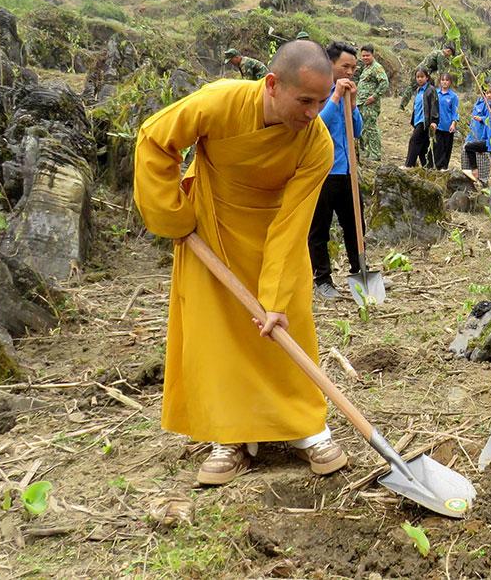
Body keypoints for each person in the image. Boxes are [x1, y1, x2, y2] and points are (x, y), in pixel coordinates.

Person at [133, 40, 349, 486]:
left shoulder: (317, 145)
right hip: (210, 231)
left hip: (274, 235)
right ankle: (229, 438)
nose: (313, 113)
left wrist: (275, 298)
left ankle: (306, 428)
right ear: (272, 85)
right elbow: (155, 139)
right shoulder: (220, 101)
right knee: (218, 335)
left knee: (289, 324)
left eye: (322, 101)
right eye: (304, 100)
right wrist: (174, 215)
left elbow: (292, 229)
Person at [308, 42, 365, 301]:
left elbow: (358, 130)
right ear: (330, 65)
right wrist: (336, 98)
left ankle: (359, 272)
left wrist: (351, 103)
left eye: (354, 67)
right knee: (319, 228)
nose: (351, 72)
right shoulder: (317, 93)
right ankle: (322, 279)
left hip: (347, 172)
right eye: (345, 66)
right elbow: (316, 126)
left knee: (355, 226)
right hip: (322, 172)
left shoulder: (349, 92)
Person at [356, 44, 390, 162]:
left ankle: (375, 154)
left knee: (371, 128)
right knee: (364, 128)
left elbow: (384, 83)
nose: (365, 58)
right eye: (363, 56)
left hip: (370, 104)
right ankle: (368, 151)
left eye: (367, 55)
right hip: (362, 103)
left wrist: (374, 97)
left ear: (372, 55)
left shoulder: (376, 67)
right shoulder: (366, 68)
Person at [464, 84, 491, 180]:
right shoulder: (489, 107)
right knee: (469, 147)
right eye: (487, 93)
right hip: (488, 141)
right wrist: (484, 138)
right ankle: (475, 170)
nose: (489, 95)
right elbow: (488, 123)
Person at [404, 69, 440, 168]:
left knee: (414, 141)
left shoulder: (430, 90)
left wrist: (434, 121)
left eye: (422, 77)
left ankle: (408, 165)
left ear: (427, 78)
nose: (419, 79)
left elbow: (434, 105)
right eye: (418, 77)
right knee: (423, 147)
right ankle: (428, 168)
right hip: (417, 121)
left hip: (425, 122)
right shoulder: (418, 91)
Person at [434, 72, 460, 169]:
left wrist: (453, 124)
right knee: (437, 146)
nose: (444, 82)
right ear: (440, 81)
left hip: (448, 126)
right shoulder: (436, 93)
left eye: (446, 80)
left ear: (450, 82)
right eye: (442, 80)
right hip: (437, 125)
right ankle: (437, 166)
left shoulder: (453, 96)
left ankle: (444, 167)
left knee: (447, 147)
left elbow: (455, 112)